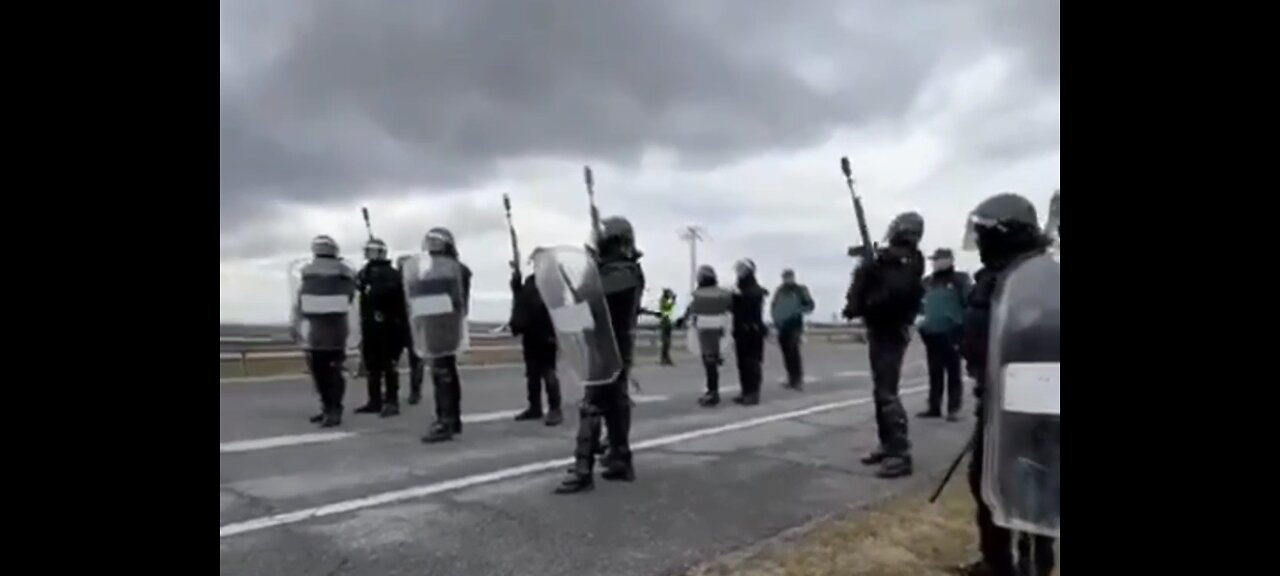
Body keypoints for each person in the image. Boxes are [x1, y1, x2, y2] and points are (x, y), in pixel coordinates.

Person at [959, 192, 1057, 576]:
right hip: (993, 400)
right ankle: (997, 562)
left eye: (983, 233)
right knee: (986, 483)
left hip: (1034, 401)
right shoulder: (991, 276)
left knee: (1036, 484)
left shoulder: (1041, 277)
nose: (979, 241)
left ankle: (1037, 561)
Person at [556, 216, 646, 494]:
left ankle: (584, 470)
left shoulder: (624, 271)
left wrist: (591, 268)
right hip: (602, 343)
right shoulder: (609, 269)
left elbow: (593, 296)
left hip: (613, 346)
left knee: (593, 405)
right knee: (614, 404)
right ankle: (621, 460)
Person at [842, 212, 926, 479]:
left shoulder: (908, 260)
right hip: (880, 329)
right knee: (881, 391)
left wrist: (876, 266)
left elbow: (895, 292)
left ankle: (900, 453)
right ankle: (888, 443)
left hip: (891, 330)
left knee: (888, 393)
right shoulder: (892, 260)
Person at [406, 228, 473, 444]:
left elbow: (458, 300)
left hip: (445, 325)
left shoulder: (456, 269)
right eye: (430, 241)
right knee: (444, 373)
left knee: (443, 373)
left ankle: (446, 421)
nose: (433, 245)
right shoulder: (427, 269)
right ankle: (451, 419)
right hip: (432, 325)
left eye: (437, 241)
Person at [291, 235, 358, 428]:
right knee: (328, 371)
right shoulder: (341, 272)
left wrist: (296, 323)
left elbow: (301, 302)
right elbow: (302, 300)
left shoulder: (340, 273)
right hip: (329, 328)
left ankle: (332, 408)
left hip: (325, 328)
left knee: (324, 371)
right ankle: (330, 407)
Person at [353, 238, 408, 418]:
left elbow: (388, 295)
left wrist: (371, 288)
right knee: (372, 366)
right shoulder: (365, 272)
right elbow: (358, 287)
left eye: (371, 250)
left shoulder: (391, 274)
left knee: (388, 366)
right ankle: (374, 400)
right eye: (367, 250)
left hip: (389, 327)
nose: (367, 253)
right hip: (369, 326)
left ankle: (392, 401)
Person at [917, 248, 972, 422]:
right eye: (934, 260)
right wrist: (921, 325)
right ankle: (934, 407)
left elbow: (968, 303)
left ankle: (953, 409)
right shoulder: (927, 282)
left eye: (938, 259)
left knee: (953, 372)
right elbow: (920, 306)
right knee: (935, 372)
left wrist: (964, 328)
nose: (935, 263)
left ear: (949, 260)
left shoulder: (960, 280)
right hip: (931, 333)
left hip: (952, 332)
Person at [509, 268, 564, 426]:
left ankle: (554, 408)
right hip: (531, 333)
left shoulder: (552, 286)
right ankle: (535, 406)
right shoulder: (530, 283)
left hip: (546, 334)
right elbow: (521, 302)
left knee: (548, 372)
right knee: (533, 373)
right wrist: (516, 285)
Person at [686, 266, 733, 408]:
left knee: (709, 363)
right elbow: (730, 307)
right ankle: (712, 391)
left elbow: (691, 309)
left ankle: (713, 393)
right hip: (717, 329)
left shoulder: (699, 294)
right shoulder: (722, 293)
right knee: (711, 362)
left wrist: (683, 320)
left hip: (706, 330)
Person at [731, 258, 768, 406]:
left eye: (741, 269)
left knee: (751, 363)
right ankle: (745, 391)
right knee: (742, 364)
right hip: (740, 331)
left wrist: (738, 297)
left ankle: (753, 394)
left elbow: (754, 298)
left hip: (752, 331)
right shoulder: (739, 288)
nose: (739, 272)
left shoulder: (752, 288)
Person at [771, 268, 815, 390]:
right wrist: (776, 319)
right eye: (785, 277)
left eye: (789, 277)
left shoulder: (800, 290)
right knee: (786, 353)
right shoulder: (779, 291)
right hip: (782, 326)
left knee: (793, 351)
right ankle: (791, 377)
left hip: (795, 325)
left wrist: (796, 311)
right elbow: (774, 305)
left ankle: (798, 379)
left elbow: (810, 305)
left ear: (793, 277)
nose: (787, 279)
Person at [396, 255, 426, 406]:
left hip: (414, 325)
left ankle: (415, 392)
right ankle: (391, 392)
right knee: (392, 361)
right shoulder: (393, 282)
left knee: (416, 361)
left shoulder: (418, 284)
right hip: (398, 325)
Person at [657, 289, 677, 366]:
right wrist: (672, 299)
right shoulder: (663, 300)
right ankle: (664, 359)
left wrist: (673, 300)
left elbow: (671, 306)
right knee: (666, 342)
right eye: (669, 293)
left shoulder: (667, 300)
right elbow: (666, 306)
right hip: (664, 322)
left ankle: (666, 358)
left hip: (668, 322)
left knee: (668, 343)